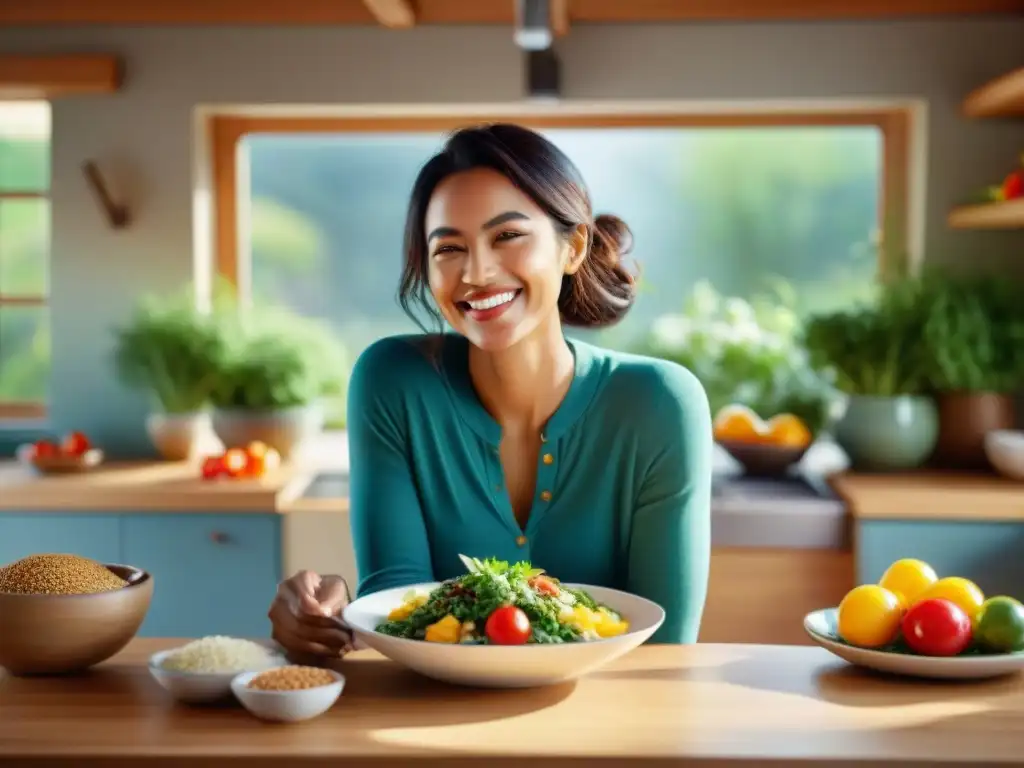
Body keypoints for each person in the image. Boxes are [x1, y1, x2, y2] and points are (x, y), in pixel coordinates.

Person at [267, 123, 713, 658]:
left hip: (614, 727)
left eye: (507, 236)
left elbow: (665, 649)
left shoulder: (660, 404)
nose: (476, 273)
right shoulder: (393, 382)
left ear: (573, 247)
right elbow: (398, 609)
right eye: (449, 249)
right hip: (438, 723)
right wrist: (338, 614)